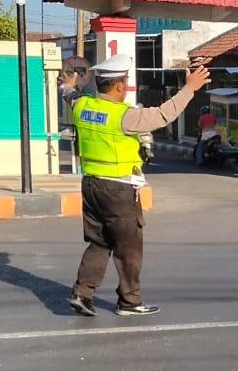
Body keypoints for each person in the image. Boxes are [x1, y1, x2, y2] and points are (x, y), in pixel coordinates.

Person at [68, 52, 212, 317]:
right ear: (120, 85)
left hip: (90, 185)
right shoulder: (124, 116)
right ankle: (130, 302)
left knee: (99, 242)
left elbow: (70, 94)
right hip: (118, 190)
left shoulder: (82, 107)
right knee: (128, 248)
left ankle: (82, 293)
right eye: (125, 80)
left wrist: (68, 84)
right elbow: (162, 115)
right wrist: (189, 88)